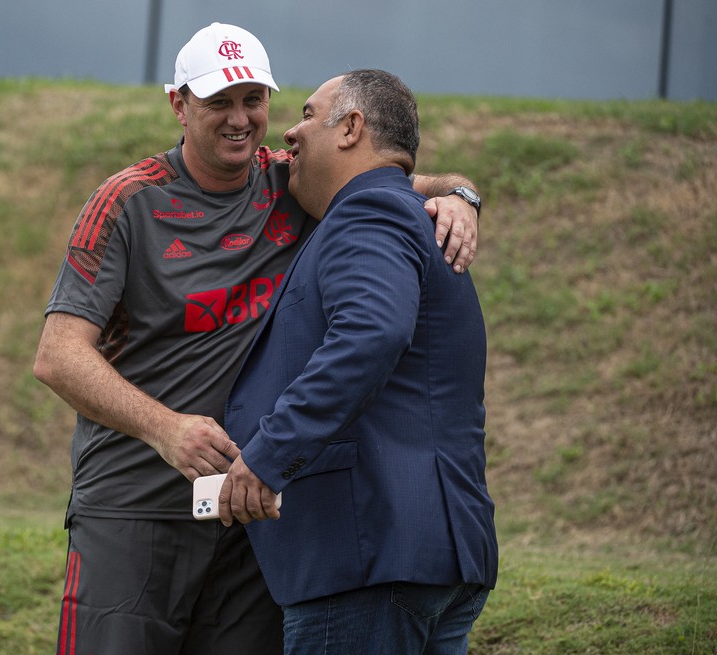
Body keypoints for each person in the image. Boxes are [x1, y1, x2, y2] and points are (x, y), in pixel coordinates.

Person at [33, 22, 482, 655]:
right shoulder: (126, 201)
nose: (240, 119)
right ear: (178, 104)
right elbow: (57, 357)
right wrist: (166, 429)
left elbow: (390, 181)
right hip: (134, 506)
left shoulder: (294, 183)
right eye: (219, 101)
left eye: (254, 100)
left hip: (253, 516)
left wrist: (460, 195)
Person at [221, 69, 497, 655]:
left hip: (367, 557)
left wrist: (267, 456)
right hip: (429, 551)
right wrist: (461, 191)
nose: (289, 133)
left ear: (350, 128)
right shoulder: (404, 210)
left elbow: (370, 334)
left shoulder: (367, 211)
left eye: (306, 114)